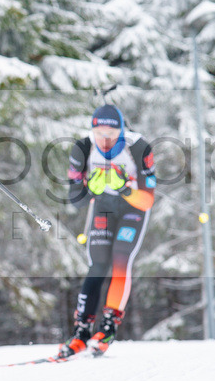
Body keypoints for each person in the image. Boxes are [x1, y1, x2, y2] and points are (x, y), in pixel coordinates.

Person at [58, 104, 156, 358]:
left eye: (111, 133)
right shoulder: (83, 148)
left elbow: (147, 200)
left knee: (121, 258)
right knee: (98, 264)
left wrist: (124, 188)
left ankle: (108, 326)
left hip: (132, 208)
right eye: (99, 132)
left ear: (121, 132)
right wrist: (91, 187)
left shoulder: (138, 147)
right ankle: (81, 331)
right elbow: (75, 199)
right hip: (103, 207)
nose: (104, 139)